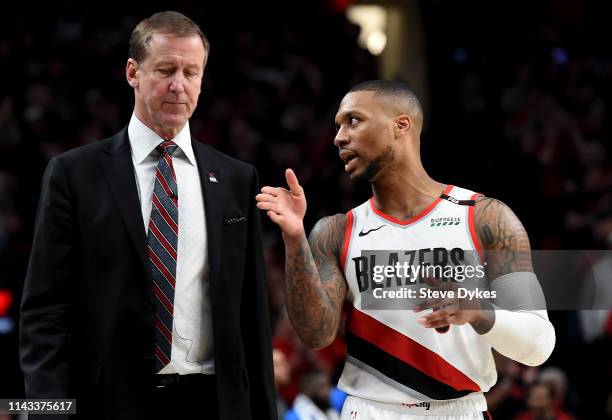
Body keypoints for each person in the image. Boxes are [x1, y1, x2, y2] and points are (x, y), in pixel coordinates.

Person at [19, 11, 276, 420]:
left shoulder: (235, 179)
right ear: (132, 73)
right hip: (108, 403)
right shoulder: (74, 174)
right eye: (165, 70)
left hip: (214, 402)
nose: (179, 85)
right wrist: (47, 412)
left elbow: (252, 318)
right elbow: (44, 312)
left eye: (191, 72)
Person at [256, 80, 555, 419]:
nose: (339, 137)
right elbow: (316, 335)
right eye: (337, 125)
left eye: (353, 120)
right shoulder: (335, 231)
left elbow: (539, 345)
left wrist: (478, 313)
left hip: (458, 408)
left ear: (401, 125)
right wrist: (295, 241)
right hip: (369, 410)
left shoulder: (486, 218)